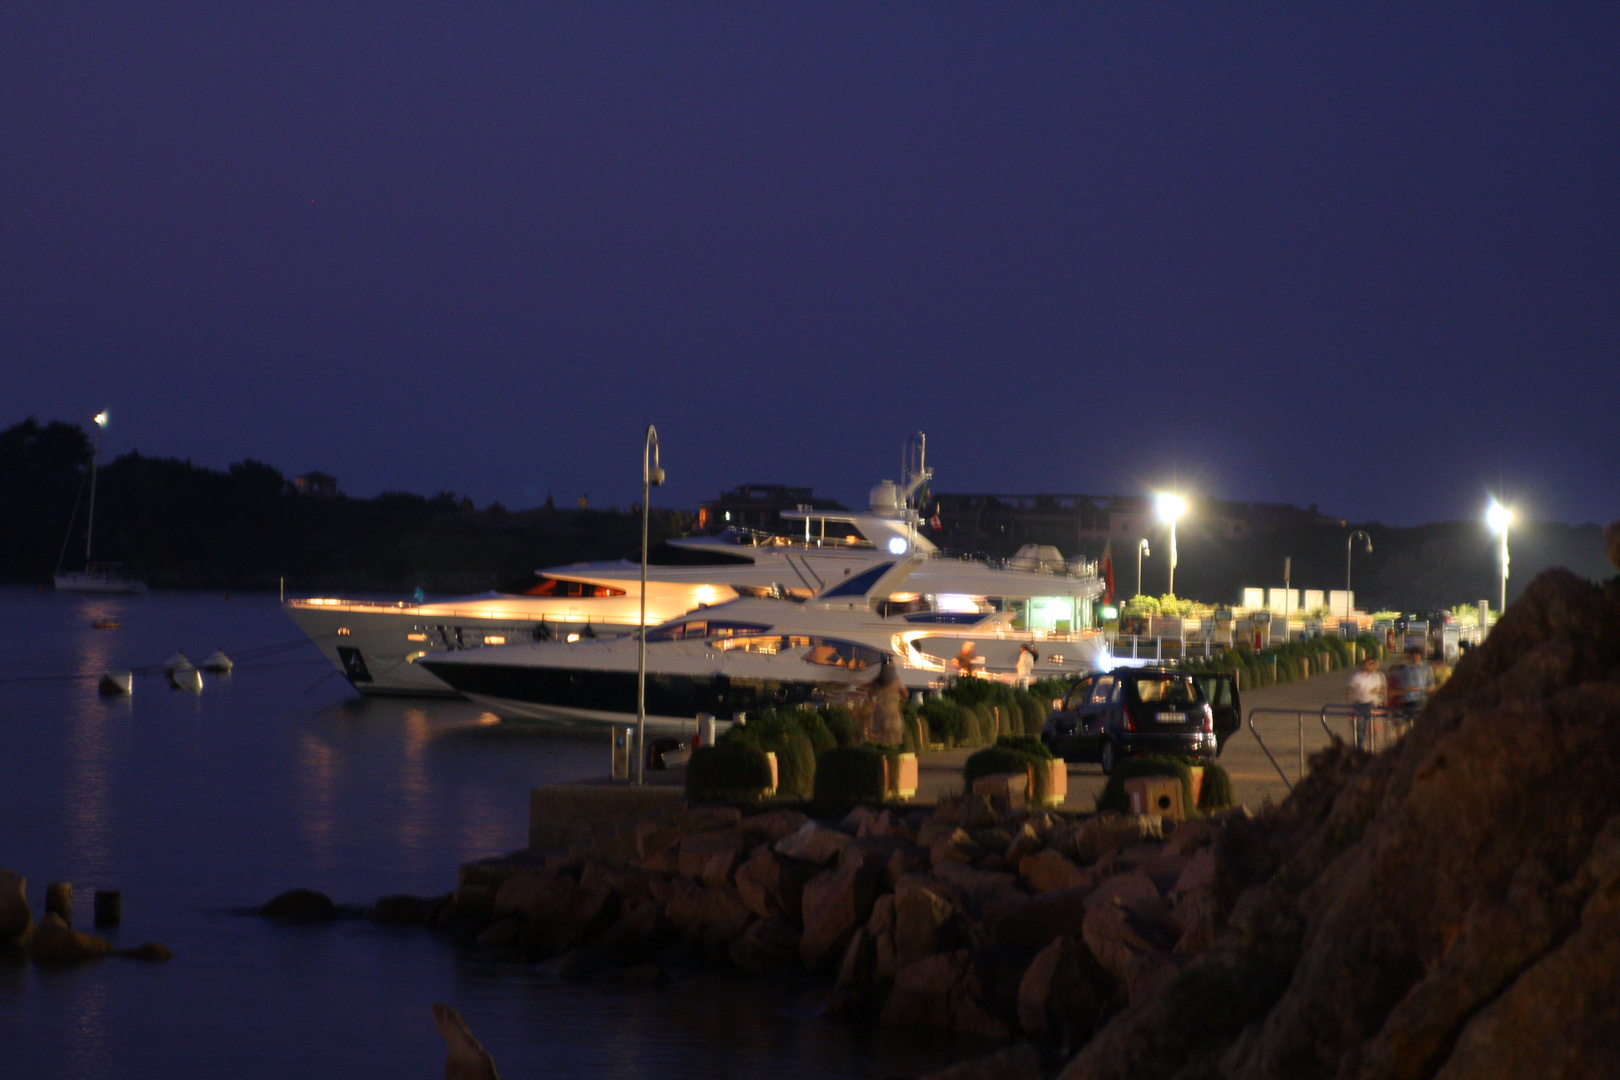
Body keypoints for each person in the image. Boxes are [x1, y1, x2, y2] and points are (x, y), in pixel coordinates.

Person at [1346, 655, 1386, 750]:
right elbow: (1349, 692)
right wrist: (1350, 706)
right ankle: (1360, 749)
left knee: (1374, 728)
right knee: (1360, 730)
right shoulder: (1357, 677)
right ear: (1364, 665)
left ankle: (1373, 748)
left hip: (1371, 705)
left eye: (1373, 664)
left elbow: (1380, 689)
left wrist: (1377, 692)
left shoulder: (1376, 676)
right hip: (1359, 705)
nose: (1372, 666)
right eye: (1369, 664)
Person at [1399, 647, 1435, 719]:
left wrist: (1428, 689)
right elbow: (1402, 686)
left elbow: (1431, 683)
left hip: (1422, 698)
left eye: (1417, 655)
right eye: (1413, 655)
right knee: (1410, 720)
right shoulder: (1406, 670)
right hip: (1410, 699)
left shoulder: (1427, 668)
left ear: (1420, 656)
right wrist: (1409, 689)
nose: (1415, 657)